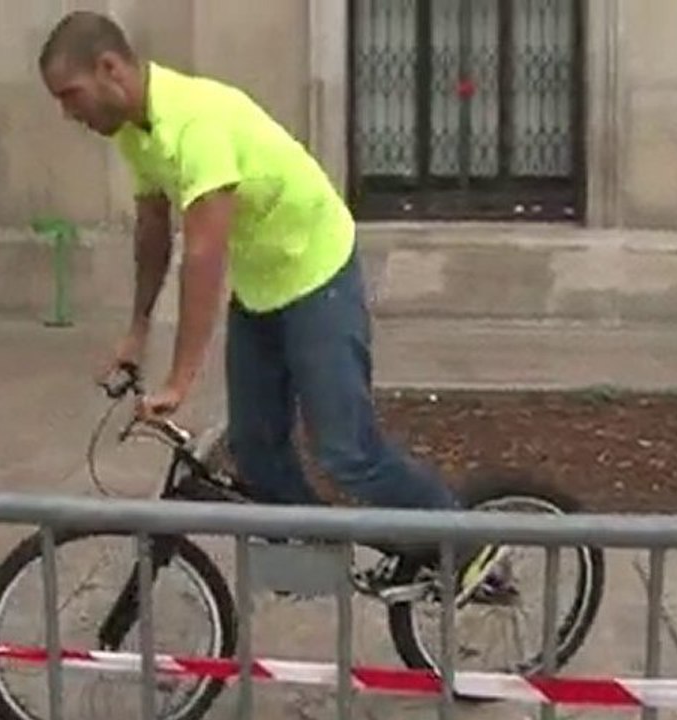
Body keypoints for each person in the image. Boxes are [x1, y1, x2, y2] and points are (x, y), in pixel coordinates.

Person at [38, 11, 495, 603]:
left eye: (70, 95)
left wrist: (180, 379)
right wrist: (136, 332)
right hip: (261, 285)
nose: (67, 113)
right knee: (256, 448)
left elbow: (203, 253)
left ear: (110, 68)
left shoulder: (194, 123)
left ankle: (469, 541)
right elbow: (154, 231)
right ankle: (319, 552)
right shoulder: (135, 130)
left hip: (316, 270)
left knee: (345, 452)